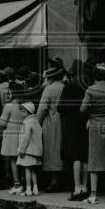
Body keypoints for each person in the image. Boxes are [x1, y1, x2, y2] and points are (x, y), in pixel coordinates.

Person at [80, 62, 105, 204]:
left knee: (93, 160)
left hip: (94, 125)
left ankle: (93, 195)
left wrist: (91, 112)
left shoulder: (90, 90)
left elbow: (82, 109)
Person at [59, 61, 89, 201]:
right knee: (84, 156)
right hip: (85, 123)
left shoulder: (69, 86)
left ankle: (77, 188)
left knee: (76, 157)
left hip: (71, 124)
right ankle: (85, 187)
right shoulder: (86, 86)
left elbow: (60, 107)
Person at [37, 58, 66, 192]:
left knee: (51, 151)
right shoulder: (65, 87)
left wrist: (37, 123)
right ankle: (62, 179)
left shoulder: (49, 90)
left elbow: (42, 109)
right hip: (63, 121)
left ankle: (53, 181)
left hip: (50, 122)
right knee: (60, 150)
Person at [16, 101, 43, 196]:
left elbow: (25, 138)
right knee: (33, 170)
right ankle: (35, 189)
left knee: (27, 169)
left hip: (27, 151)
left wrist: (21, 150)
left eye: (23, 111)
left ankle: (28, 189)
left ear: (28, 112)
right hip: (35, 151)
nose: (21, 113)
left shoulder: (26, 122)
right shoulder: (35, 121)